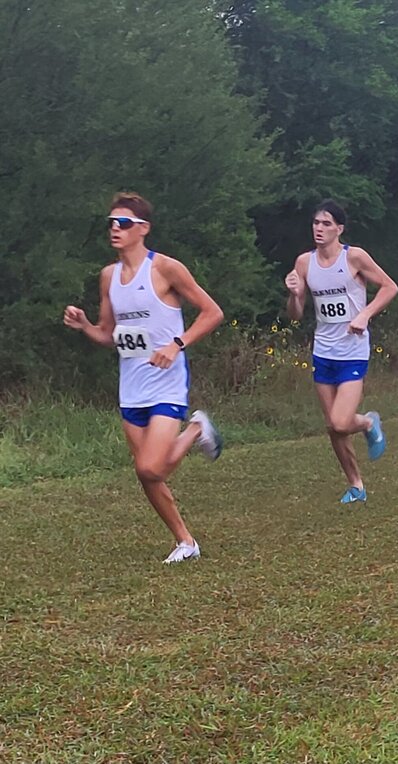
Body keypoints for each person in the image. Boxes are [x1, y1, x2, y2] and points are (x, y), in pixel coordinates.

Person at [63, 192, 224, 564]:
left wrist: (177, 344)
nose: (115, 229)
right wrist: (85, 325)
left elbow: (212, 312)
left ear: (143, 229)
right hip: (131, 387)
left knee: (151, 466)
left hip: (166, 382)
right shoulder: (108, 277)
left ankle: (196, 430)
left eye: (123, 223)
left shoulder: (166, 269)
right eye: (111, 223)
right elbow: (108, 334)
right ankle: (186, 542)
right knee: (147, 475)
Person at [285, 200, 398, 504]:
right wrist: (295, 295)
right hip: (323, 350)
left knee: (340, 421)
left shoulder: (354, 257)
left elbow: (389, 287)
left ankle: (368, 423)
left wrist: (364, 315)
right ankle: (356, 485)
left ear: (339, 229)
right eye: (316, 223)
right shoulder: (304, 263)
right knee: (334, 428)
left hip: (353, 350)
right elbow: (295, 314)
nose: (319, 229)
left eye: (326, 224)